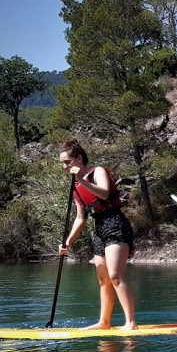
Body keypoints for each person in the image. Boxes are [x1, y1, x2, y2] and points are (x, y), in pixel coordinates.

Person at [58, 137, 136, 330]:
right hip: (99, 228)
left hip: (115, 223)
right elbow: (80, 218)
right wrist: (68, 242)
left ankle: (131, 323)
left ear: (79, 159)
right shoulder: (76, 188)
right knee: (103, 280)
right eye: (62, 164)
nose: (65, 167)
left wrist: (81, 180)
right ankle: (104, 322)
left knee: (116, 276)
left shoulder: (97, 172)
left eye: (67, 162)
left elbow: (104, 194)